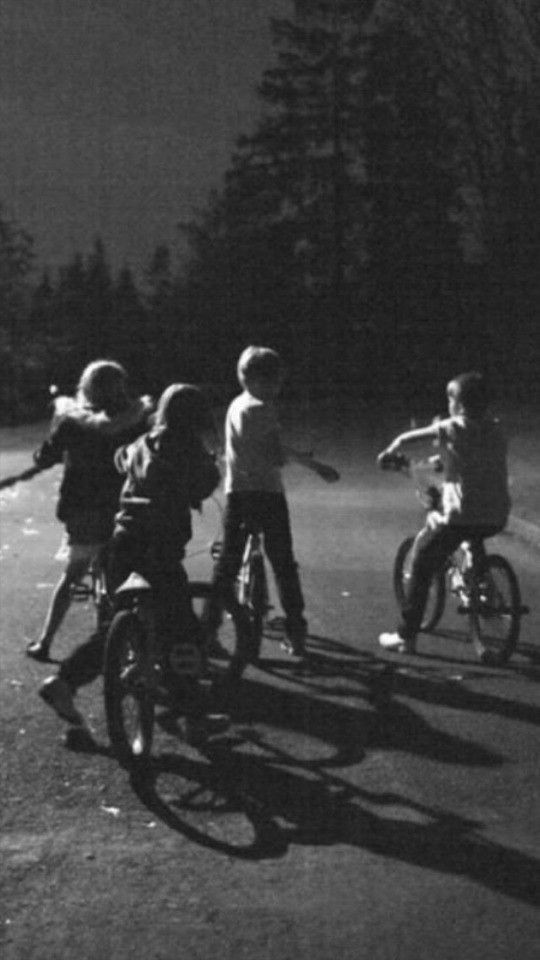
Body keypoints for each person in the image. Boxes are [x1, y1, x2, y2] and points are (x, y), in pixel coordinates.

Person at [27, 360, 153, 723]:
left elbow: (46, 455)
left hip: (81, 512)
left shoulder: (72, 421)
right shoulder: (137, 417)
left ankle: (45, 640)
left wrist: (46, 454)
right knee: (122, 581)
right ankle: (119, 648)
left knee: (73, 573)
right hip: (120, 511)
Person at [207, 345, 323, 671]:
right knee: (283, 563)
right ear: (257, 380)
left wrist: (306, 461)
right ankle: (296, 632)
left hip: (238, 493)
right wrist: (310, 464)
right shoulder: (262, 409)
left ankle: (208, 630)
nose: (278, 388)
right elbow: (274, 453)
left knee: (227, 564)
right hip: (268, 493)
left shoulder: (236, 405)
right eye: (274, 381)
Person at [377, 371, 511, 653]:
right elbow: (469, 458)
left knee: (423, 559)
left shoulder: (454, 427)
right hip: (498, 513)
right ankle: (481, 579)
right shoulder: (496, 428)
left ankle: (406, 635)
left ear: (459, 405)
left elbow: (410, 438)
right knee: (477, 530)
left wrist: (392, 448)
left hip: (461, 515)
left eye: (451, 399)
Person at [107, 383, 221, 672]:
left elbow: (121, 459)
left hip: (126, 534)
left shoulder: (140, 444)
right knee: (178, 611)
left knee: (120, 603)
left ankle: (130, 648)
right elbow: (207, 481)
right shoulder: (190, 448)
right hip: (164, 538)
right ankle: (185, 684)